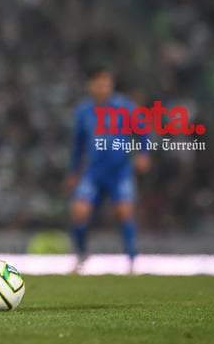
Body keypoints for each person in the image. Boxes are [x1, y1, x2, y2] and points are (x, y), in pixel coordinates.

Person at [65, 66, 150, 274]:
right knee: (79, 211)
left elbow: (143, 131)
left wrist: (143, 154)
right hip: (93, 173)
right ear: (90, 85)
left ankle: (131, 261)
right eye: (99, 83)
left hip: (120, 172)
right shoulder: (83, 111)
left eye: (106, 82)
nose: (103, 87)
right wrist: (74, 171)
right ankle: (81, 255)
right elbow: (78, 145)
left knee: (124, 212)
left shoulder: (125, 106)